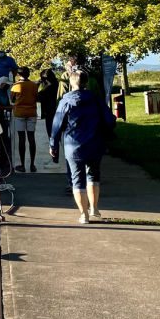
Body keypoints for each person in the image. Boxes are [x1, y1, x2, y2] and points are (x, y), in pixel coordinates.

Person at [50, 69, 116, 224]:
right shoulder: (96, 99)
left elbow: (57, 124)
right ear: (86, 82)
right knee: (93, 176)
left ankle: (84, 214)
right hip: (95, 143)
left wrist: (53, 144)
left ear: (71, 83)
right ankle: (94, 208)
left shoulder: (66, 100)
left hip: (73, 145)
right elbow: (110, 120)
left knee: (76, 179)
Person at [10, 67, 39, 173]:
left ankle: (22, 165)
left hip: (19, 114)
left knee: (21, 139)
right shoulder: (34, 85)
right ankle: (32, 165)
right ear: (29, 74)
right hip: (32, 113)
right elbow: (36, 97)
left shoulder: (16, 86)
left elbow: (12, 99)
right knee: (31, 138)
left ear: (18, 74)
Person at [37, 68, 59, 138]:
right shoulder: (57, 84)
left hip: (49, 111)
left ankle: (53, 148)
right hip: (58, 110)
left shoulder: (47, 88)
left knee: (51, 135)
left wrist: (37, 85)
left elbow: (37, 97)